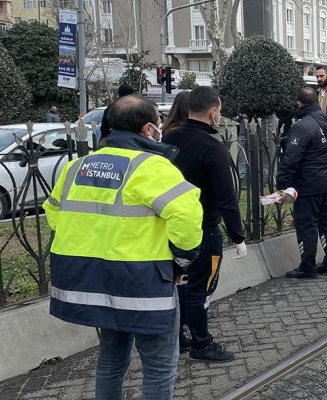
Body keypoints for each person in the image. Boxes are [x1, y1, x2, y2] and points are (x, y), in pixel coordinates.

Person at [43, 95, 203, 399]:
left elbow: (53, 212)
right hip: (144, 283)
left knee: (111, 360)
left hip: (94, 282)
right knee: (158, 366)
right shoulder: (153, 166)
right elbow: (187, 218)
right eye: (156, 123)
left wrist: (95, 243)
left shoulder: (77, 167)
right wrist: (180, 264)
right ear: (147, 129)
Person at [162, 86, 247, 362]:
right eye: (219, 110)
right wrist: (238, 237)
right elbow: (227, 198)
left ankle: (178, 336)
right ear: (213, 112)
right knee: (201, 288)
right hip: (204, 229)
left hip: (171, 227)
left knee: (180, 284)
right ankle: (202, 343)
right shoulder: (214, 148)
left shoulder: (169, 140)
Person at [277, 87, 327, 279]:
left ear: (299, 103)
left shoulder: (301, 126)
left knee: (306, 225)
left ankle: (307, 266)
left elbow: (291, 159)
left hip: (310, 184)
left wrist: (282, 184)